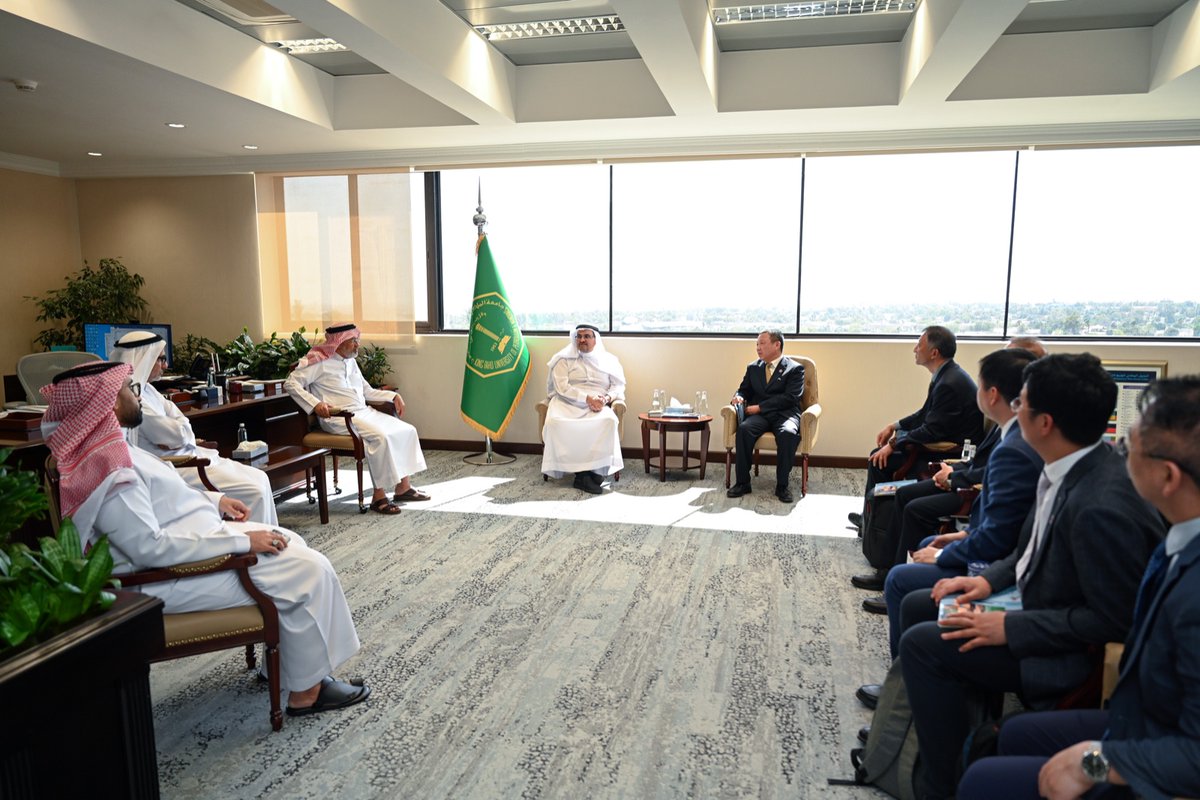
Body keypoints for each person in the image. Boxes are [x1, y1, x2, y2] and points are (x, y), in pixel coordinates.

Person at [897, 353, 1165, 800]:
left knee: (923, 644)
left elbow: (1113, 622)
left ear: (1044, 423)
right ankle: (943, 741)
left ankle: (940, 785)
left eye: (1022, 403)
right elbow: (1027, 548)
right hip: (1032, 602)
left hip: (1064, 653)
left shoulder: (1101, 506)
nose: (1014, 410)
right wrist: (987, 582)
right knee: (923, 608)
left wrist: (1007, 627)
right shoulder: (1069, 464)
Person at [40, 361, 369, 716]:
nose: (134, 396)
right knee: (309, 569)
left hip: (185, 549)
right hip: (161, 581)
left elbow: (163, 499)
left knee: (290, 542)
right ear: (106, 403)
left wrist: (216, 500)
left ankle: (291, 667)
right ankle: (307, 691)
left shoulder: (108, 450)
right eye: (126, 390)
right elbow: (150, 548)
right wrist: (244, 543)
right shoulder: (107, 467)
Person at [958, 375, 1200, 800]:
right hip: (1140, 717)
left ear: (1167, 477)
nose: (1119, 456)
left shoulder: (1109, 510)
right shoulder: (1182, 538)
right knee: (1007, 737)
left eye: (1130, 448)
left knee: (983, 780)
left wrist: (1099, 761)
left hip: (1157, 756)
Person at [848, 325, 987, 587]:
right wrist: (896, 426)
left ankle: (880, 542)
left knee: (883, 458)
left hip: (946, 455)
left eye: (919, 345)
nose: (915, 349)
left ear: (933, 352)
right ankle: (873, 520)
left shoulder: (950, 382)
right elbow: (925, 415)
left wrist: (895, 443)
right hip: (938, 447)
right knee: (878, 456)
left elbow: (932, 429)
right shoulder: (945, 375)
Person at [109, 330, 279, 525]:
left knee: (261, 477)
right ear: (144, 359)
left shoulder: (150, 390)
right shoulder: (131, 400)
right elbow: (176, 434)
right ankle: (256, 549)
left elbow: (183, 428)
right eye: (161, 359)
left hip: (194, 454)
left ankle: (272, 542)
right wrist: (180, 432)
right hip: (175, 465)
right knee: (254, 490)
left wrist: (181, 432)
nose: (166, 365)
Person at [284, 323, 428, 515]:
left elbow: (367, 391)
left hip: (363, 412)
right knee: (381, 438)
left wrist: (392, 396)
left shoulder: (351, 361)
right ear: (340, 342)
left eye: (357, 340)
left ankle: (404, 488)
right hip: (339, 417)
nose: (357, 345)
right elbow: (291, 383)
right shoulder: (319, 362)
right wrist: (315, 405)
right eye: (353, 341)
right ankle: (379, 497)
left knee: (407, 429)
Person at [541, 324, 626, 494]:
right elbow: (562, 388)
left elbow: (618, 386)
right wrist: (587, 398)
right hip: (567, 402)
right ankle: (585, 474)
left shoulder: (609, 360)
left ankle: (587, 474)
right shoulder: (562, 359)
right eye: (579, 336)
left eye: (587, 336)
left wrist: (606, 398)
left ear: (596, 339)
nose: (582, 340)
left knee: (608, 420)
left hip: (597, 404)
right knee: (555, 423)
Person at [726, 329, 806, 503]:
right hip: (760, 416)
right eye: (756, 344)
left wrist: (760, 407)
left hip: (785, 414)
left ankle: (782, 486)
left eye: (762, 343)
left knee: (788, 434)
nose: (758, 348)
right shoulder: (753, 367)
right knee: (744, 429)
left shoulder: (795, 369)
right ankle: (742, 482)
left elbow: (791, 398)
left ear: (777, 345)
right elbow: (744, 388)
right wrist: (739, 395)